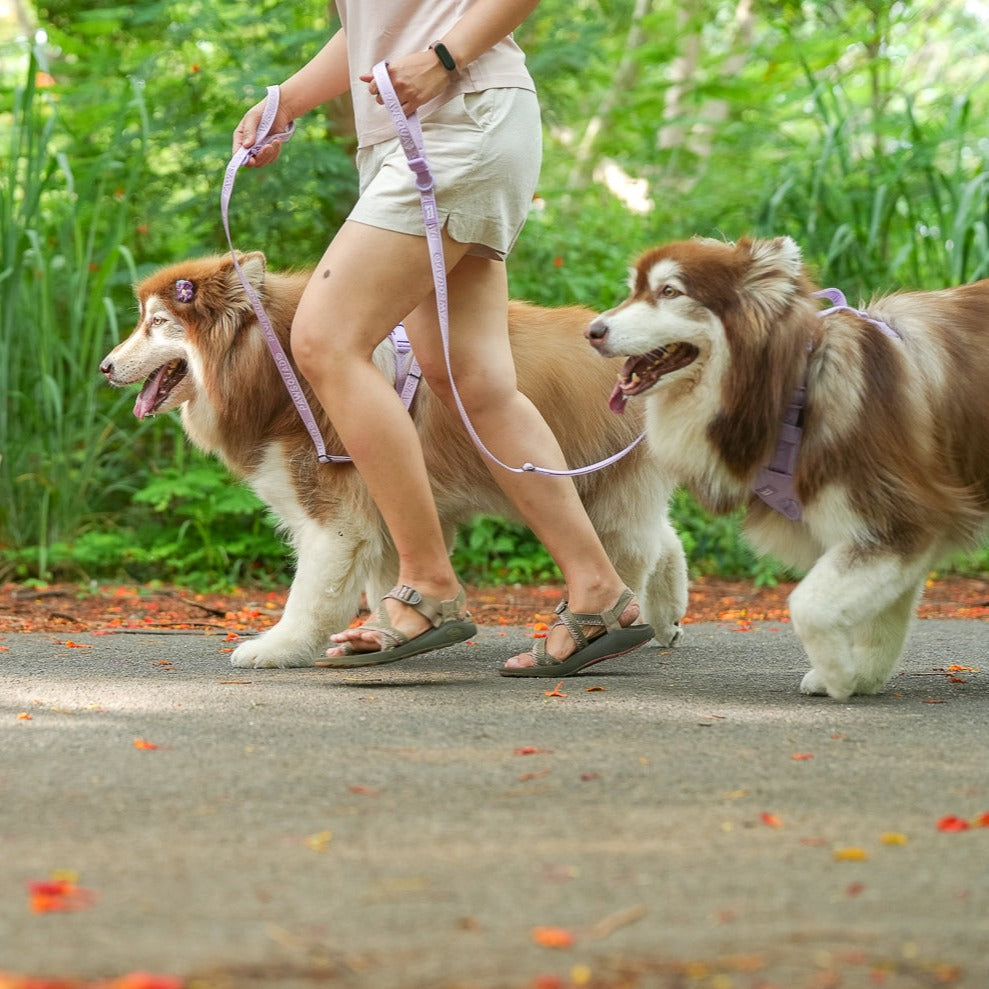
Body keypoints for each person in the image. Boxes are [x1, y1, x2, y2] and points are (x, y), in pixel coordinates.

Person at [232, 0, 654, 676]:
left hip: (460, 115)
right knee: (470, 379)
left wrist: (444, 58)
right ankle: (597, 591)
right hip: (421, 130)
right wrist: (287, 99)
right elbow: (374, 29)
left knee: (323, 339)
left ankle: (426, 582)